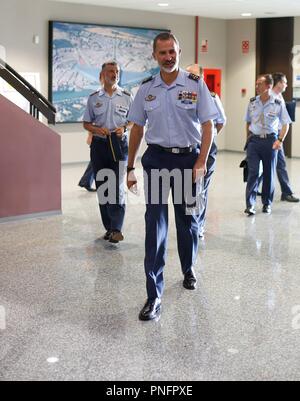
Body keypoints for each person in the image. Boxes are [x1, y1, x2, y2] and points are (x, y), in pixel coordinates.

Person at [127, 33, 219, 321]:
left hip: (188, 160)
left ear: (179, 52)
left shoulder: (195, 84)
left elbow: (208, 125)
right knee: (155, 224)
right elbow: (137, 129)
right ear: (155, 55)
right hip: (156, 160)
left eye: (173, 52)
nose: (169, 57)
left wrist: (202, 160)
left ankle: (188, 268)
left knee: (188, 220)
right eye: (163, 52)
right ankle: (154, 295)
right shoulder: (145, 90)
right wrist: (129, 167)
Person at [83, 61, 133, 244]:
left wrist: (124, 128)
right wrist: (96, 130)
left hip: (119, 145)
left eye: (117, 71)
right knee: (103, 187)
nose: (115, 74)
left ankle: (117, 228)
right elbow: (86, 123)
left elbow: (134, 120)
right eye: (111, 71)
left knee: (118, 187)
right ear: (103, 74)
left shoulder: (127, 96)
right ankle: (109, 228)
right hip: (100, 146)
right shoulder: (94, 98)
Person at [186, 65, 226, 239]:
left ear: (201, 78)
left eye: (194, 76)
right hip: (189, 148)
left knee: (201, 188)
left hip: (206, 149)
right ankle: (190, 222)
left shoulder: (211, 97)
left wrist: (208, 138)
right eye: (188, 75)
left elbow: (221, 121)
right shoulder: (182, 96)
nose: (191, 79)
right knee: (191, 188)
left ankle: (199, 225)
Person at [245, 74, 292, 216]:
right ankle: (250, 204)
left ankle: (267, 203)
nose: (256, 86)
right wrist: (248, 139)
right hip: (254, 142)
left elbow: (286, 124)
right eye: (256, 83)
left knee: (269, 173)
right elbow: (247, 121)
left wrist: (280, 140)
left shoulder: (278, 103)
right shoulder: (252, 102)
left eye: (259, 83)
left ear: (268, 86)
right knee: (253, 173)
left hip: (270, 142)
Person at [258, 73, 299, 203]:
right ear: (279, 83)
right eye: (285, 82)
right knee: (280, 164)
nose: (286, 85)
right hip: (271, 136)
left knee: (269, 164)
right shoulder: (268, 96)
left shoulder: (279, 96)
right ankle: (286, 192)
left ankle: (258, 187)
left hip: (277, 134)